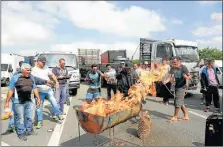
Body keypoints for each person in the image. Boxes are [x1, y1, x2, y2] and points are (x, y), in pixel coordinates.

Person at [4, 63, 41, 141]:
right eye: (27, 70)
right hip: (18, 102)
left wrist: (38, 98)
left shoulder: (31, 77)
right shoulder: (15, 78)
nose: (29, 71)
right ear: (22, 69)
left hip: (29, 101)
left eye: (30, 70)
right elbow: (10, 90)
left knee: (30, 117)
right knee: (20, 118)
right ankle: (21, 133)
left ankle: (29, 130)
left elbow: (35, 89)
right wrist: (7, 102)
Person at [31, 56, 64, 129]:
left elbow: (52, 74)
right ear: (38, 61)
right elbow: (34, 81)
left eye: (45, 62)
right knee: (39, 106)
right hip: (39, 91)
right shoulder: (33, 70)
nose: (43, 64)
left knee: (54, 101)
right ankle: (39, 121)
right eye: (42, 62)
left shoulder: (46, 67)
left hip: (48, 89)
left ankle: (58, 114)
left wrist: (56, 82)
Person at [168, 57, 191, 122]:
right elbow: (170, 76)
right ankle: (186, 115)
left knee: (177, 101)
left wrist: (186, 77)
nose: (173, 63)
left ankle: (175, 116)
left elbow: (190, 76)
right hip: (176, 86)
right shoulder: (173, 68)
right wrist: (168, 80)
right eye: (173, 62)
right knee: (180, 102)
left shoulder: (183, 67)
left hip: (182, 86)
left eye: (175, 62)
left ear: (179, 62)